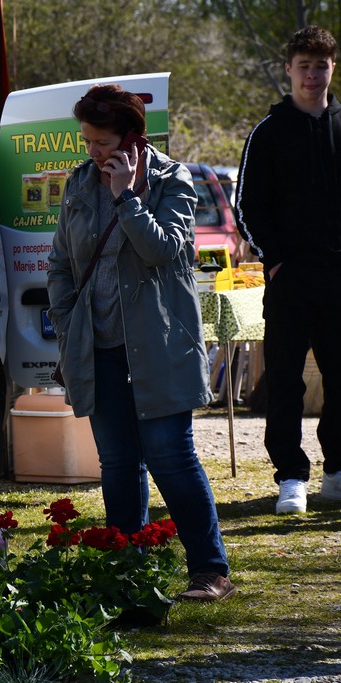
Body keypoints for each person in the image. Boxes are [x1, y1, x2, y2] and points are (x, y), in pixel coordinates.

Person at [47, 84, 234, 601]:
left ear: (130, 140)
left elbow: (161, 251)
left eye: (102, 143)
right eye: (86, 142)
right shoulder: (80, 183)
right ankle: (129, 570)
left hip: (160, 345)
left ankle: (210, 570)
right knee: (118, 461)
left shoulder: (171, 179)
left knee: (171, 455)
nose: (93, 153)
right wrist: (66, 324)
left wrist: (127, 196)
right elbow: (61, 263)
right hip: (97, 344)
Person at [236, 25, 341, 515]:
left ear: (332, 69)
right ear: (288, 70)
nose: (313, 75)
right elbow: (246, 207)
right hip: (289, 281)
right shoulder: (269, 131)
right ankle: (291, 478)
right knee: (284, 382)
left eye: (321, 66)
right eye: (304, 66)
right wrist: (274, 261)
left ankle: (336, 472)